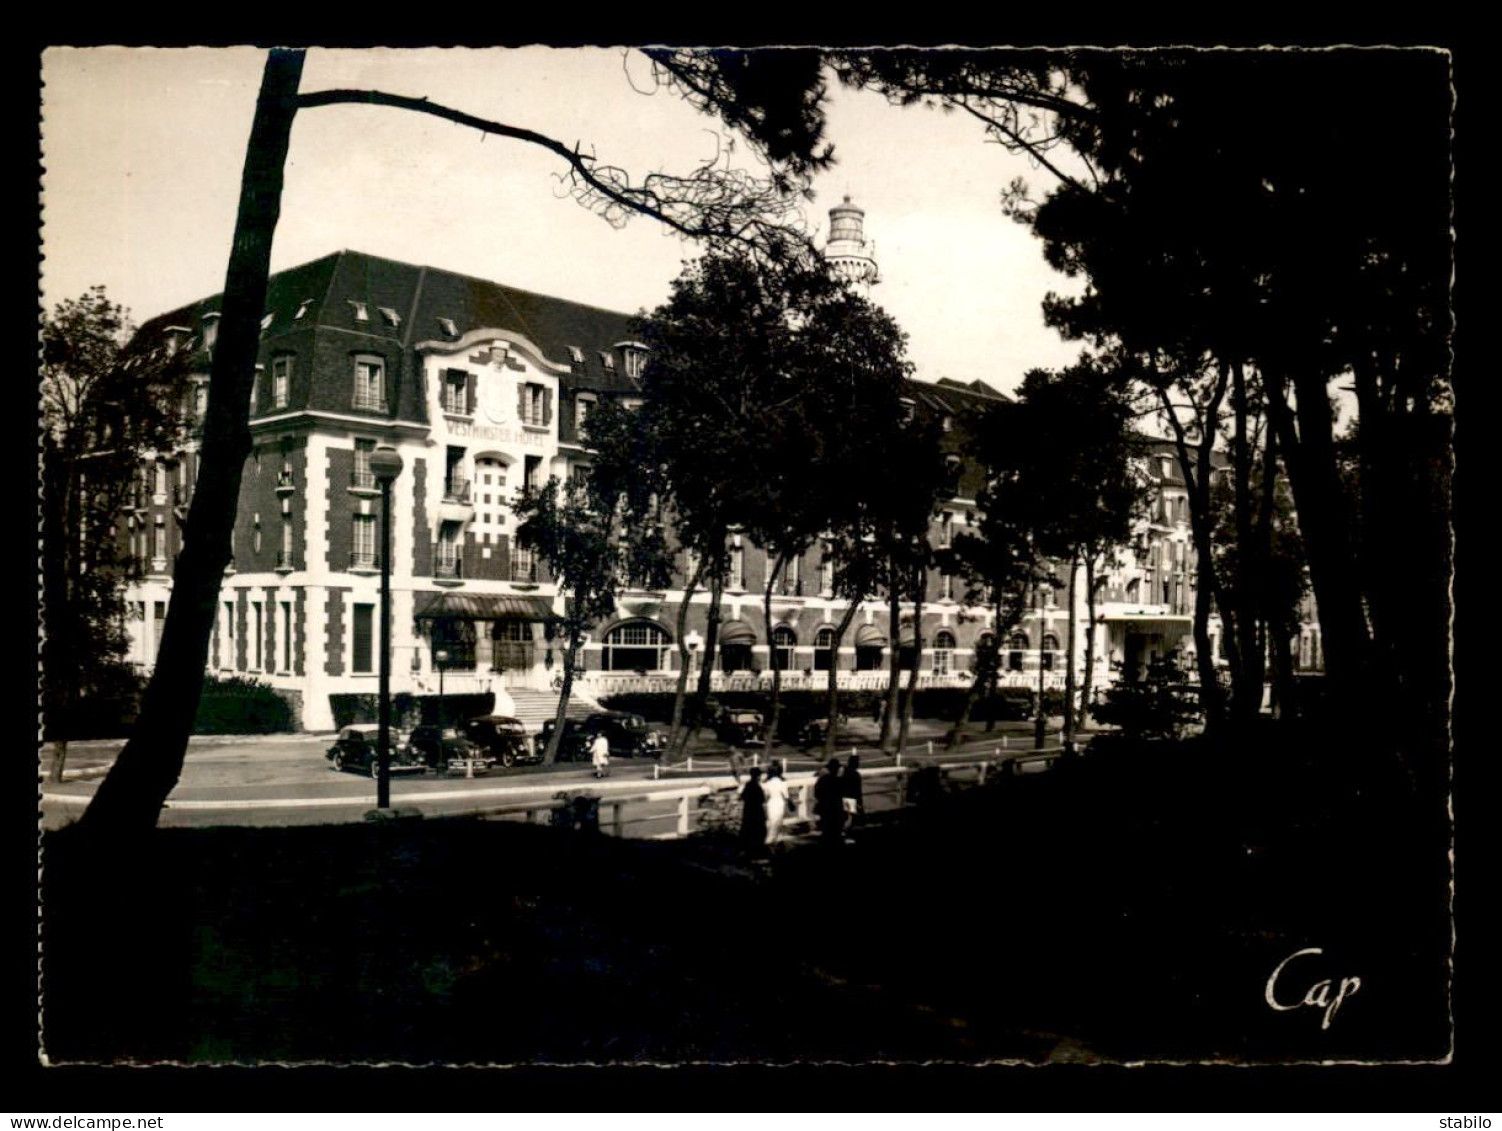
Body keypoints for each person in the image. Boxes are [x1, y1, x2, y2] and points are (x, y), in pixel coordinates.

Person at [813, 757, 846, 846]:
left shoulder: (823, 780)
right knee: (837, 834)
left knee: (826, 834)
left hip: (825, 810)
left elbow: (816, 794)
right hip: (837, 811)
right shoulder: (841, 782)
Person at [762, 760, 791, 849]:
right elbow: (786, 796)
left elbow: (766, 796)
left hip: (771, 803)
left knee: (772, 821)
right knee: (778, 822)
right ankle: (776, 840)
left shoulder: (767, 783)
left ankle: (771, 840)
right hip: (780, 804)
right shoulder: (783, 782)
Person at [739, 765, 767, 856]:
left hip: (748, 811)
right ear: (758, 776)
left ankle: (747, 849)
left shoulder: (748, 785)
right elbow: (762, 799)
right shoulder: (758, 787)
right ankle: (756, 850)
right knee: (758, 830)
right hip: (757, 811)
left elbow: (743, 797)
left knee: (748, 830)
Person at [842, 753, 865, 834]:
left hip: (843, 797)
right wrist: (860, 803)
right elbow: (857, 790)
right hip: (851, 799)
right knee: (849, 819)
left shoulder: (844, 772)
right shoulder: (856, 775)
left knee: (846, 818)